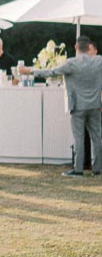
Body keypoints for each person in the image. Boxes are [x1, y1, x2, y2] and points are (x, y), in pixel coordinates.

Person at [20, 37, 102, 177]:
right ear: (89, 47)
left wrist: (30, 71)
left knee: (79, 138)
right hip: (95, 105)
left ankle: (78, 169)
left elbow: (51, 72)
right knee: (97, 137)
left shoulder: (71, 63)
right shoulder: (99, 61)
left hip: (77, 106)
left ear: (76, 46)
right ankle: (97, 169)